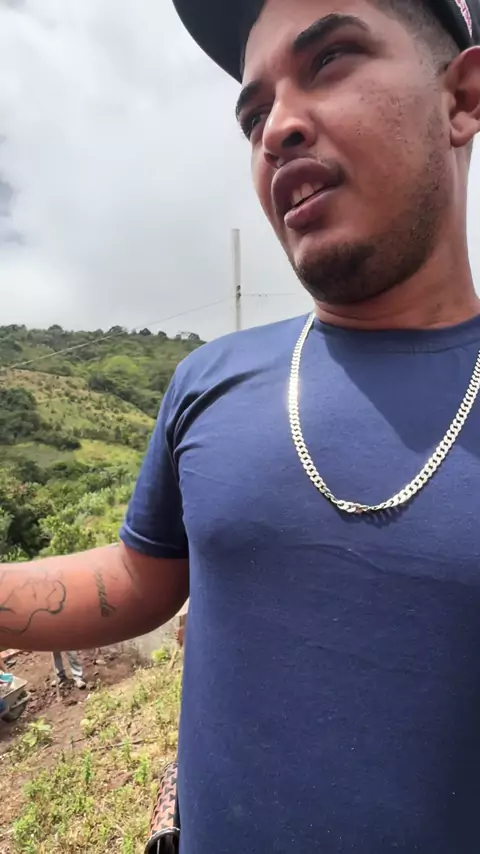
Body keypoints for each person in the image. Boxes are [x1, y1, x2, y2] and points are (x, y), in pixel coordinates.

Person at [0, 0, 479, 850]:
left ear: (463, 98)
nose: (277, 129)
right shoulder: (210, 380)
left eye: (330, 59)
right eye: (254, 113)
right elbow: (142, 578)